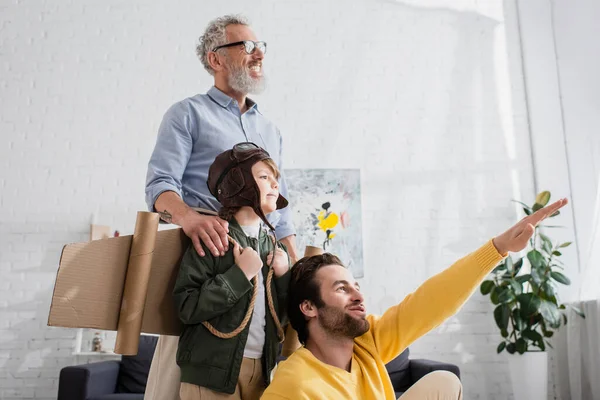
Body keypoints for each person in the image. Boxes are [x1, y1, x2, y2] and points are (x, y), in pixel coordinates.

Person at [261, 199, 569, 399]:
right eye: (342, 289)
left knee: (444, 383)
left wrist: (498, 248)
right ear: (309, 307)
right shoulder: (295, 385)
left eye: (356, 286)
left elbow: (432, 300)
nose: (358, 295)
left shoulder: (369, 343)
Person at [144, 14, 298, 400]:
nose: (258, 53)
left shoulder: (271, 129)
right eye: (246, 46)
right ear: (215, 59)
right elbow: (160, 186)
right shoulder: (187, 114)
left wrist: (293, 266)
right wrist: (190, 218)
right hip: (205, 255)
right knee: (175, 379)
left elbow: (279, 211)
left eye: (260, 45)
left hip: (261, 261)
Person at [174, 143, 292, 400]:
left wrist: (284, 277)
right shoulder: (213, 238)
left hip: (262, 373)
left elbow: (281, 320)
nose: (274, 185)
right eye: (264, 177)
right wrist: (239, 276)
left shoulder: (273, 247)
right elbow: (187, 307)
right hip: (212, 376)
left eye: (275, 180)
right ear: (237, 184)